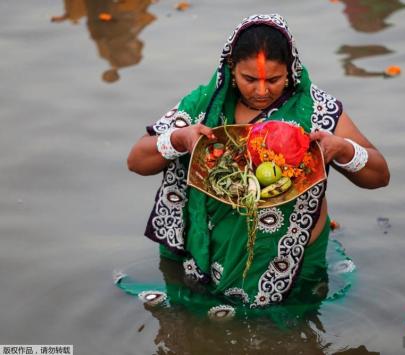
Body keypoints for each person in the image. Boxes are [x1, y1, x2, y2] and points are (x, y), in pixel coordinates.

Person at [127, 14, 389, 316]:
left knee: (295, 335)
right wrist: (178, 140)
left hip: (293, 263)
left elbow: (380, 175)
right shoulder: (204, 105)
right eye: (249, 79)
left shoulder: (318, 111)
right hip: (210, 255)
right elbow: (136, 160)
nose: (261, 91)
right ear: (231, 68)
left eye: (274, 80)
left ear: (290, 72)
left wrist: (343, 149)